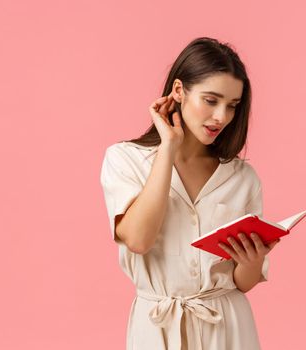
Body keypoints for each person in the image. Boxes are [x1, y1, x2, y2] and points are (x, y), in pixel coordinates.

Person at [100, 37, 280, 350]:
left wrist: (252, 259)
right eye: (211, 100)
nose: (221, 117)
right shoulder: (125, 159)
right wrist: (168, 147)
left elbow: (243, 283)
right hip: (157, 327)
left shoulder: (242, 177)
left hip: (228, 326)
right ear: (180, 91)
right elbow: (138, 240)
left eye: (232, 106)